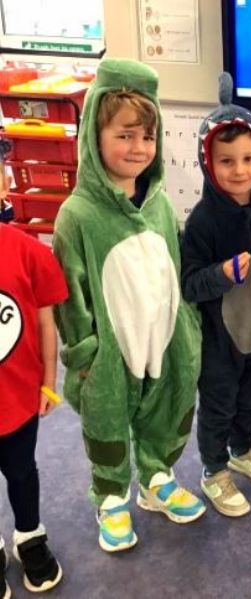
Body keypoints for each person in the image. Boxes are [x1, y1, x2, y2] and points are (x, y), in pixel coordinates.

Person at [53, 58, 204, 553]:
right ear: (94, 137)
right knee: (108, 420)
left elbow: (172, 264)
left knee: (166, 404)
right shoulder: (77, 215)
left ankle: (156, 477)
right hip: (110, 348)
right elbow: (69, 293)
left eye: (148, 136)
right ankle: (111, 496)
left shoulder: (159, 202)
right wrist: (84, 352)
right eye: (124, 135)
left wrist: (186, 324)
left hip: (161, 333)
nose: (138, 147)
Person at [181, 73, 251, 518]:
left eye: (249, 158)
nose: (239, 170)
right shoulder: (202, 220)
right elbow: (190, 283)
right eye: (226, 161)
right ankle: (213, 469)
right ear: (208, 163)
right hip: (219, 340)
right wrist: (222, 274)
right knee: (219, 403)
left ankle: (242, 450)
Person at [0, 146, 67, 594]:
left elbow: (45, 322)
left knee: (21, 471)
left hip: (18, 397)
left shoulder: (27, 251)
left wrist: (48, 383)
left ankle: (29, 534)